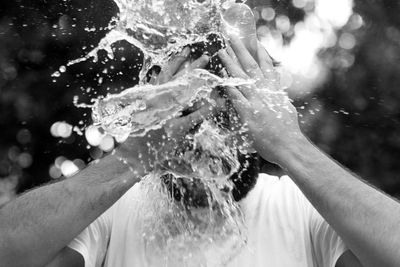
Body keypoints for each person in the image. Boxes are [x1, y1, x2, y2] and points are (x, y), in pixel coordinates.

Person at [1, 37, 400, 267]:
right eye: (188, 114)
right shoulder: (114, 212)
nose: (209, 137)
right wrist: (133, 157)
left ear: (260, 116)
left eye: (230, 112)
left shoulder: (299, 208)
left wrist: (291, 145)